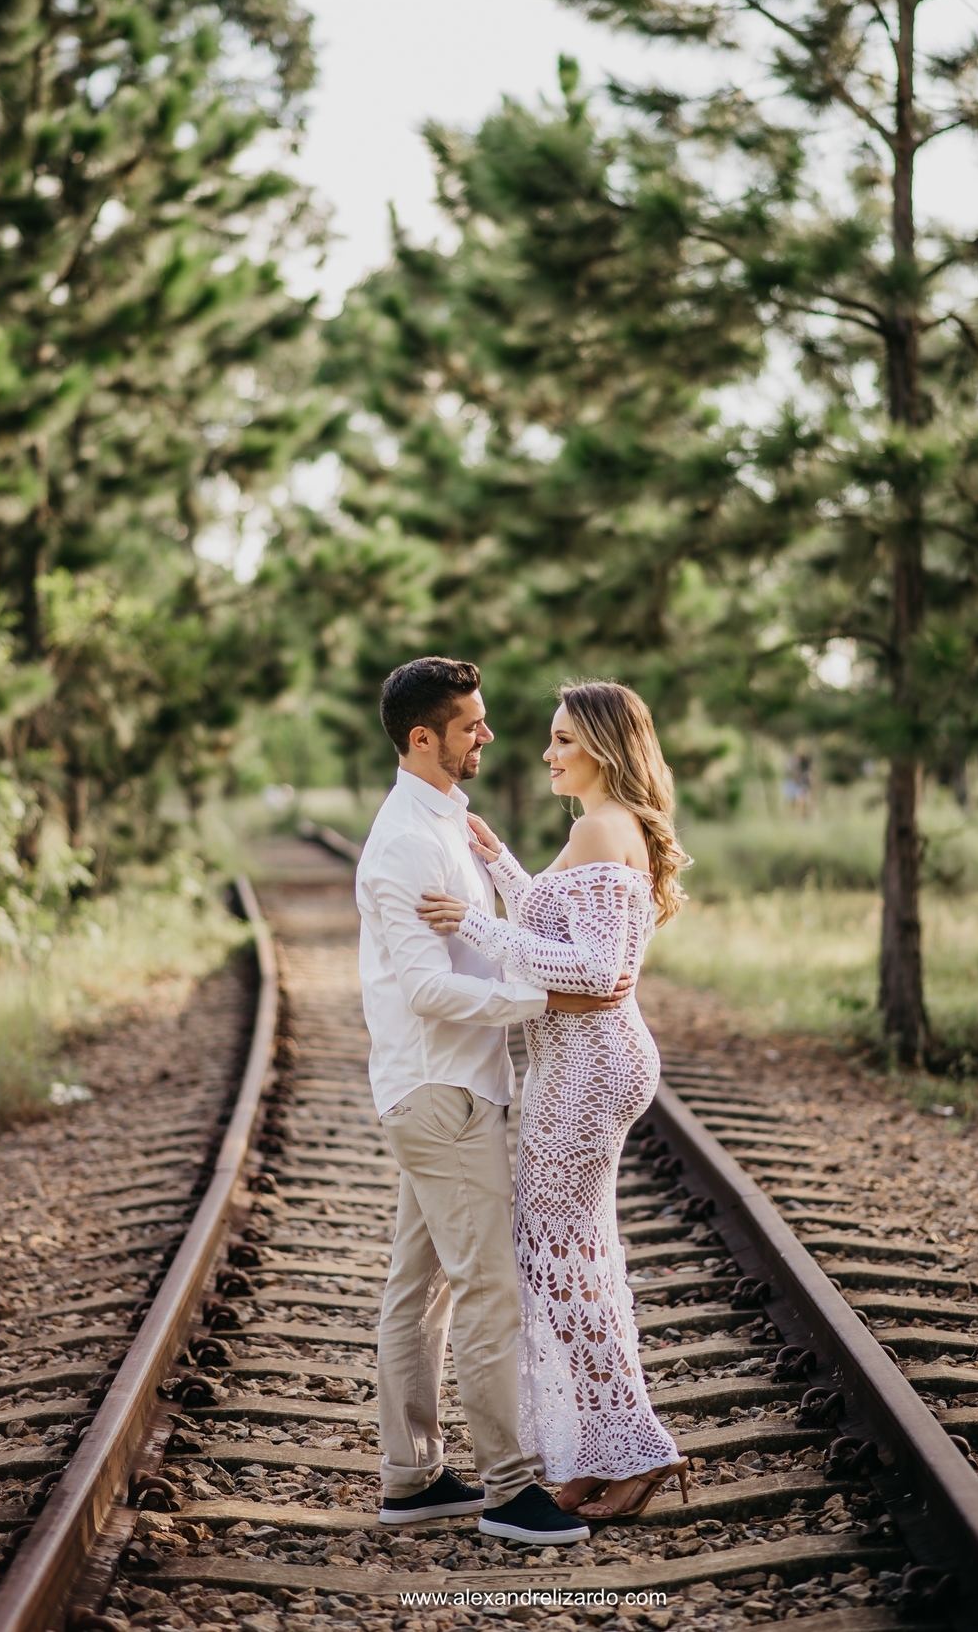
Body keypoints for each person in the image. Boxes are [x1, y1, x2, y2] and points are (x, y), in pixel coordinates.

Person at [357, 656, 627, 1546]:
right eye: (471, 724)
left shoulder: (449, 822)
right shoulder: (407, 841)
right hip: (444, 1094)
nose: (490, 734)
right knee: (487, 1289)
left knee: (419, 1288)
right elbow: (429, 989)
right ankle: (510, 1492)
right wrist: (547, 1000)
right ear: (421, 738)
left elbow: (500, 937)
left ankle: (412, 1479)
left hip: (452, 1087)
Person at [416, 679, 692, 1521]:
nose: (547, 753)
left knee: (559, 1261)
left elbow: (601, 972)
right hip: (579, 1064)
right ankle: (603, 1451)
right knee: (571, 1257)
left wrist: (475, 922)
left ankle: (637, 1449)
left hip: (588, 1069)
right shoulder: (603, 826)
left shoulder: (604, 829)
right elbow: (561, 925)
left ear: (605, 747)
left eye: (564, 739)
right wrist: (501, 863)